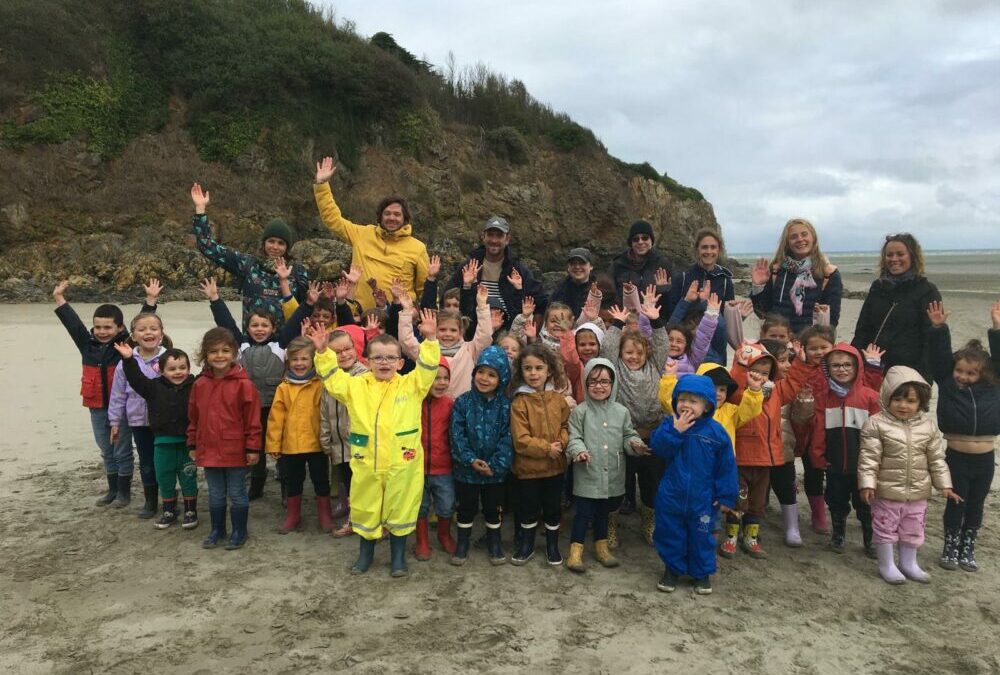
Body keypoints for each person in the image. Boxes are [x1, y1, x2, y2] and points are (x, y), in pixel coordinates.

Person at [311, 309, 441, 577]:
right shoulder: (355, 386)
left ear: (401, 363)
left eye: (391, 358)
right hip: (366, 462)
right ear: (367, 360)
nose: (384, 362)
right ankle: (365, 555)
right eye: (378, 357)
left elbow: (428, 369)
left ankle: (397, 558)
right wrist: (323, 353)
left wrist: (429, 341)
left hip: (402, 464)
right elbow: (333, 380)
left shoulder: (412, 386)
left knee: (401, 508)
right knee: (366, 508)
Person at [202, 276, 316, 501]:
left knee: (280, 447)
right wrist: (215, 299)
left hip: (276, 406)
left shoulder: (280, 344)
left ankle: (285, 486)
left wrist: (309, 304)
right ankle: (257, 482)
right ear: (248, 328)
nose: (259, 329)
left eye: (265, 325)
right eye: (254, 325)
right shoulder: (241, 345)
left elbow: (294, 322)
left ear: (273, 328)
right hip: (248, 408)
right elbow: (226, 323)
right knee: (254, 446)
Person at [858, 367, 958, 584]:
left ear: (920, 403)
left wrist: (945, 485)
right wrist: (867, 484)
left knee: (913, 528)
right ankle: (887, 564)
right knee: (885, 528)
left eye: (911, 401)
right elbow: (868, 458)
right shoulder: (876, 423)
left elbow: (936, 459)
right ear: (887, 398)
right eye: (898, 399)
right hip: (886, 491)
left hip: (917, 491)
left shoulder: (927, 425)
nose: (903, 405)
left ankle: (908, 563)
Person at [53, 280, 144, 507]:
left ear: (120, 329)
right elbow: (73, 325)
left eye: (108, 327)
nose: (102, 332)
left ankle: (124, 493)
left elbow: (143, 325)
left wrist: (150, 301)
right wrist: (59, 299)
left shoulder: (124, 346)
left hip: (120, 409)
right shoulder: (87, 344)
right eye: (98, 327)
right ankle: (112, 490)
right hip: (96, 407)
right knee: (106, 450)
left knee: (122, 451)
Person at [723, 340, 817, 559]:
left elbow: (793, 382)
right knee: (737, 499)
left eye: (765, 372)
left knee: (757, 503)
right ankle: (731, 537)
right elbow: (735, 379)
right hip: (742, 459)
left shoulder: (776, 392)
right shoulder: (738, 393)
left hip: (766, 459)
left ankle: (751, 537)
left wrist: (802, 363)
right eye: (754, 371)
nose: (759, 376)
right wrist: (741, 363)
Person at [927, 300, 1000, 572]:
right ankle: (951, 544)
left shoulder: (993, 387)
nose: (963, 377)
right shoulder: (948, 384)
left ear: (984, 375)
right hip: (955, 457)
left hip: (984, 460)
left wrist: (997, 328)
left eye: (971, 373)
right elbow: (938, 357)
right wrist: (938, 328)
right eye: (960, 371)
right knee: (955, 501)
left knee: (976, 504)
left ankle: (968, 545)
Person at [651, 374, 738, 595]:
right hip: (672, 494)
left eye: (693, 401)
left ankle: (701, 573)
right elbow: (659, 448)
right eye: (683, 399)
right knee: (670, 533)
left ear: (707, 405)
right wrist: (675, 431)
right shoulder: (669, 424)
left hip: (703, 498)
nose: (686, 405)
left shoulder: (716, 432)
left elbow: (726, 465)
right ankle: (672, 569)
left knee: (702, 536)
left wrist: (726, 495)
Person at [313, 156, 429, 311]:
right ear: (380, 217)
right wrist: (321, 185)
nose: (391, 218)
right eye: (387, 213)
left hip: (398, 319)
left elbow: (426, 287)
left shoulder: (418, 248)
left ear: (405, 218)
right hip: (359, 315)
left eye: (396, 214)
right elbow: (333, 219)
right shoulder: (363, 234)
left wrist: (429, 314)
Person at [565, 358, 648, 572]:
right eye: (593, 382)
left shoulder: (621, 412)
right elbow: (573, 437)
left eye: (604, 382)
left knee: (605, 513)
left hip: (612, 473)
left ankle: (602, 548)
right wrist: (579, 451)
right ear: (585, 384)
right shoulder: (580, 412)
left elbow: (629, 435)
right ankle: (575, 552)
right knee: (583, 514)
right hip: (588, 473)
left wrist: (635, 444)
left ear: (613, 384)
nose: (599, 386)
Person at [601, 288, 669, 546]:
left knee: (652, 484)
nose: (634, 357)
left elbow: (661, 344)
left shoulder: (655, 366)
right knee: (618, 484)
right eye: (629, 352)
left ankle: (649, 522)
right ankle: (610, 525)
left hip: (654, 435)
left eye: (639, 353)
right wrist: (617, 323)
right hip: (623, 437)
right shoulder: (615, 368)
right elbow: (608, 347)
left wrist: (656, 321)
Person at [190, 183, 308, 330]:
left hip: (285, 346)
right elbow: (208, 247)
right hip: (251, 345)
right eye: (271, 241)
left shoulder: (297, 271)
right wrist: (200, 209)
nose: (275, 247)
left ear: (287, 247)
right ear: (264, 243)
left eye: (281, 243)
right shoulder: (248, 264)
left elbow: (307, 311)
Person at [187, 327, 263, 550]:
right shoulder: (199, 384)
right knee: (216, 494)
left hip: (236, 450)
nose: (219, 356)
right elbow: (193, 418)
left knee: (238, 493)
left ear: (234, 353)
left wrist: (252, 448)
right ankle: (217, 529)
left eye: (225, 351)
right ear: (205, 355)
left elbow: (253, 421)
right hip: (209, 449)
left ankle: (240, 531)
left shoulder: (244, 385)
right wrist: (192, 443)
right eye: (213, 352)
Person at [808, 344, 883, 556]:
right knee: (836, 501)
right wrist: (818, 455)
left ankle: (870, 539)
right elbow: (819, 430)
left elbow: (880, 433)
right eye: (836, 365)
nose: (842, 369)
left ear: (857, 366)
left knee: (866, 504)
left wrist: (878, 460)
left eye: (848, 365)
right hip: (835, 463)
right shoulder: (824, 397)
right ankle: (838, 534)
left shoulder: (869, 397)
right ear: (827, 369)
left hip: (863, 466)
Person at [114, 344, 198, 530]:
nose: (178, 372)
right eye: (172, 369)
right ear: (161, 370)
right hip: (162, 443)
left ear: (189, 369)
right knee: (164, 476)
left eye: (182, 368)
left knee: (188, 477)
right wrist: (128, 359)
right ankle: (169, 510)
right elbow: (136, 379)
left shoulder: (195, 386)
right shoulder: (153, 388)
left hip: (187, 443)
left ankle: (191, 510)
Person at [450, 347, 514, 566]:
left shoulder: (506, 406)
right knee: (465, 507)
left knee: (492, 508)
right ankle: (462, 543)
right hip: (466, 471)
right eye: (481, 372)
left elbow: (508, 437)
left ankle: (494, 543)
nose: (484, 378)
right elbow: (456, 436)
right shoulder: (462, 402)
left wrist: (496, 465)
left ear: (502, 378)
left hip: (494, 473)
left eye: (492, 374)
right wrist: (469, 460)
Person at [509, 343, 572, 566]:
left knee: (553, 508)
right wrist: (547, 448)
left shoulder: (558, 399)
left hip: (555, 467)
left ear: (549, 371)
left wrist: (561, 443)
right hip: (529, 470)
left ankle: (552, 546)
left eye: (539, 368)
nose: (533, 373)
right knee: (529, 509)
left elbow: (566, 425)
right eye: (528, 368)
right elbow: (521, 439)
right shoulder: (520, 401)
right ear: (521, 371)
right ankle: (526, 545)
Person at [851, 233, 941, 380]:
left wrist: (924, 376)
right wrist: (854, 357)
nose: (894, 259)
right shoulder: (878, 287)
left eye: (900, 254)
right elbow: (863, 328)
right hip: (873, 366)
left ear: (912, 256)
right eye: (889, 255)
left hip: (909, 372)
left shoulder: (927, 290)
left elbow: (930, 339)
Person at [108, 306, 168, 518]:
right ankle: (151, 501)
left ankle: (170, 499)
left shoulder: (169, 359)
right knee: (146, 461)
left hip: (165, 422)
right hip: (139, 422)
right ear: (133, 335)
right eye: (142, 329)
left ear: (161, 333)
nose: (148, 333)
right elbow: (117, 395)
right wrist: (114, 422)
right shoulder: (125, 362)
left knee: (167, 461)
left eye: (153, 328)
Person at [266, 337, 329, 534]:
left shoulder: (320, 384)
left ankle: (324, 515)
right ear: (288, 362)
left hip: (316, 443)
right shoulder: (284, 387)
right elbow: (276, 418)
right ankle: (293, 516)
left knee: (321, 480)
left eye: (304, 359)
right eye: (295, 360)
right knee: (293, 480)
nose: (299, 364)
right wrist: (274, 444)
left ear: (312, 361)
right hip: (291, 445)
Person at [445, 216, 548, 334]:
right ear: (483, 237)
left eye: (499, 236)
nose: (494, 240)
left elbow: (541, 302)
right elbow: (447, 298)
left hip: (508, 333)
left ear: (507, 239)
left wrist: (532, 337)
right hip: (473, 331)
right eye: (490, 235)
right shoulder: (470, 266)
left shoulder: (518, 269)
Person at [750, 218, 843, 334]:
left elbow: (831, 321)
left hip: (810, 343)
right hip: (778, 341)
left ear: (813, 238)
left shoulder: (828, 273)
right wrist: (758, 286)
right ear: (787, 243)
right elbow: (762, 312)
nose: (800, 239)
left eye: (804, 234)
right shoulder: (776, 270)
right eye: (793, 237)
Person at [319, 327, 369, 537]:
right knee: (346, 480)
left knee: (362, 484)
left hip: (359, 443)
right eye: (337, 352)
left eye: (347, 349)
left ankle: (360, 520)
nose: (344, 354)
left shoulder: (366, 376)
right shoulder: (329, 378)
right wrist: (325, 438)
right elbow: (324, 411)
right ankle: (351, 513)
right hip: (338, 441)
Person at [667, 229, 734, 360]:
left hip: (715, 346)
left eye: (713, 247)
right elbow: (672, 315)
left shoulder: (726, 281)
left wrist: (737, 314)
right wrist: (697, 303)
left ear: (719, 250)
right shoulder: (683, 277)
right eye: (704, 247)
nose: (709, 251)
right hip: (686, 347)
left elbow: (725, 320)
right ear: (697, 249)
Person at [414, 360, 457, 561]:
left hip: (444, 467)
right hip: (417, 467)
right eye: (435, 378)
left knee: (446, 504)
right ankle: (422, 541)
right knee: (420, 506)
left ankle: (444, 534)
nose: (441, 383)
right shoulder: (414, 402)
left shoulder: (451, 404)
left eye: (445, 378)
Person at [607, 220, 671, 309]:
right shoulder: (618, 265)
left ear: (651, 241)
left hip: (654, 320)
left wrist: (663, 289)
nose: (640, 242)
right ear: (631, 243)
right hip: (624, 319)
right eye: (635, 239)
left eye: (645, 238)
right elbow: (608, 295)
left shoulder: (663, 264)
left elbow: (673, 300)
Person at [551, 248, 597, 318]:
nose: (577, 267)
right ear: (568, 267)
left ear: (591, 266)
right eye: (573, 263)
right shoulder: (559, 290)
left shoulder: (599, 290)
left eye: (582, 263)